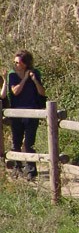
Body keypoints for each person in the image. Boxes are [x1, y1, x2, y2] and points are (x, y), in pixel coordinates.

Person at [2, 50, 47, 179]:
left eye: (18, 62)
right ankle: (17, 167)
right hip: (16, 112)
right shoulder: (12, 75)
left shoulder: (35, 73)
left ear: (25, 63)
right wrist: (25, 79)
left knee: (29, 142)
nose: (15, 64)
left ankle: (31, 169)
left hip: (32, 111)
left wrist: (34, 80)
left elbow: (42, 93)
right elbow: (15, 91)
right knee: (16, 141)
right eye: (14, 62)